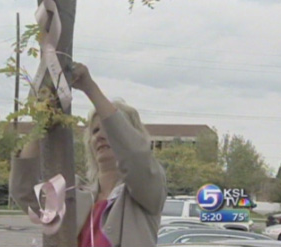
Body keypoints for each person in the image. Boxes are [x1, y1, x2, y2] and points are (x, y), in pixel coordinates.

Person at [9, 62, 167, 247]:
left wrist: (89, 87)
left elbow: (135, 157)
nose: (100, 135)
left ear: (129, 135)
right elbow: (25, 191)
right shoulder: (75, 195)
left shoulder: (147, 191)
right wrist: (42, 123)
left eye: (109, 129)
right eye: (95, 130)